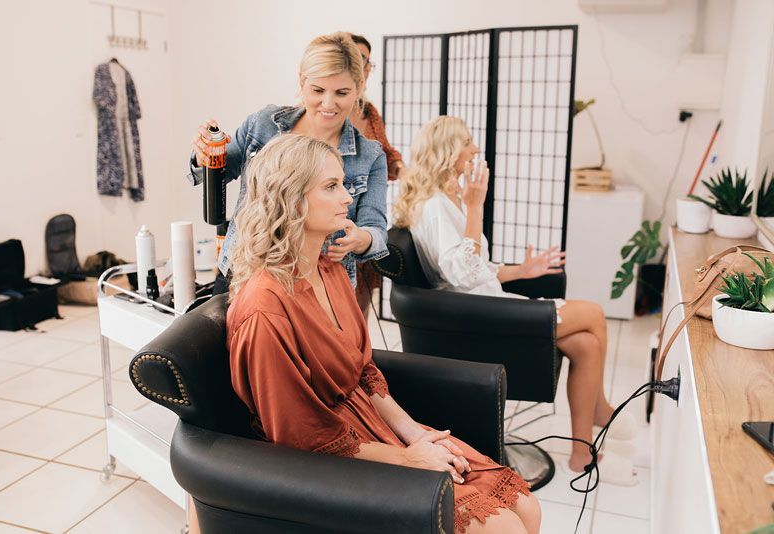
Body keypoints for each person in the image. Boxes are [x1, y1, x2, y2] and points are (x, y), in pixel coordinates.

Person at [227, 133, 542, 534]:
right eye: (331, 186)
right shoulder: (264, 310)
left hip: (374, 426)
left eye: (343, 182)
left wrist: (414, 434)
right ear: (290, 199)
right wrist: (409, 460)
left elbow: (364, 371)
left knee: (526, 508)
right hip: (326, 462)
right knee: (504, 529)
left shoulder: (330, 268)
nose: (347, 197)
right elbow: (300, 438)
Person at [393, 116, 639, 486]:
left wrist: (523, 270)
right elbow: (460, 273)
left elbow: (474, 270)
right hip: (475, 322)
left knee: (586, 344)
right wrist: (476, 208)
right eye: (467, 142)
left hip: (485, 307)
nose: (475, 149)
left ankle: (580, 452)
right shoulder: (433, 207)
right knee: (594, 313)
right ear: (446, 152)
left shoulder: (448, 198)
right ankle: (601, 409)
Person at [187, 32, 388, 294]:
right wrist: (204, 157)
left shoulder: (370, 156)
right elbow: (214, 174)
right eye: (317, 90)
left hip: (320, 284)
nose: (328, 104)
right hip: (246, 274)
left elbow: (377, 230)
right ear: (302, 82)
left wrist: (362, 239)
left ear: (359, 88)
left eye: (342, 92)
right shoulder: (263, 125)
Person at [348, 33, 404, 314]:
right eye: (355, 58)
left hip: (367, 219)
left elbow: (385, 150)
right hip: (334, 223)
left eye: (366, 61)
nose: (362, 66)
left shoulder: (369, 112)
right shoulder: (323, 110)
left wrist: (403, 170)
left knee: (360, 308)